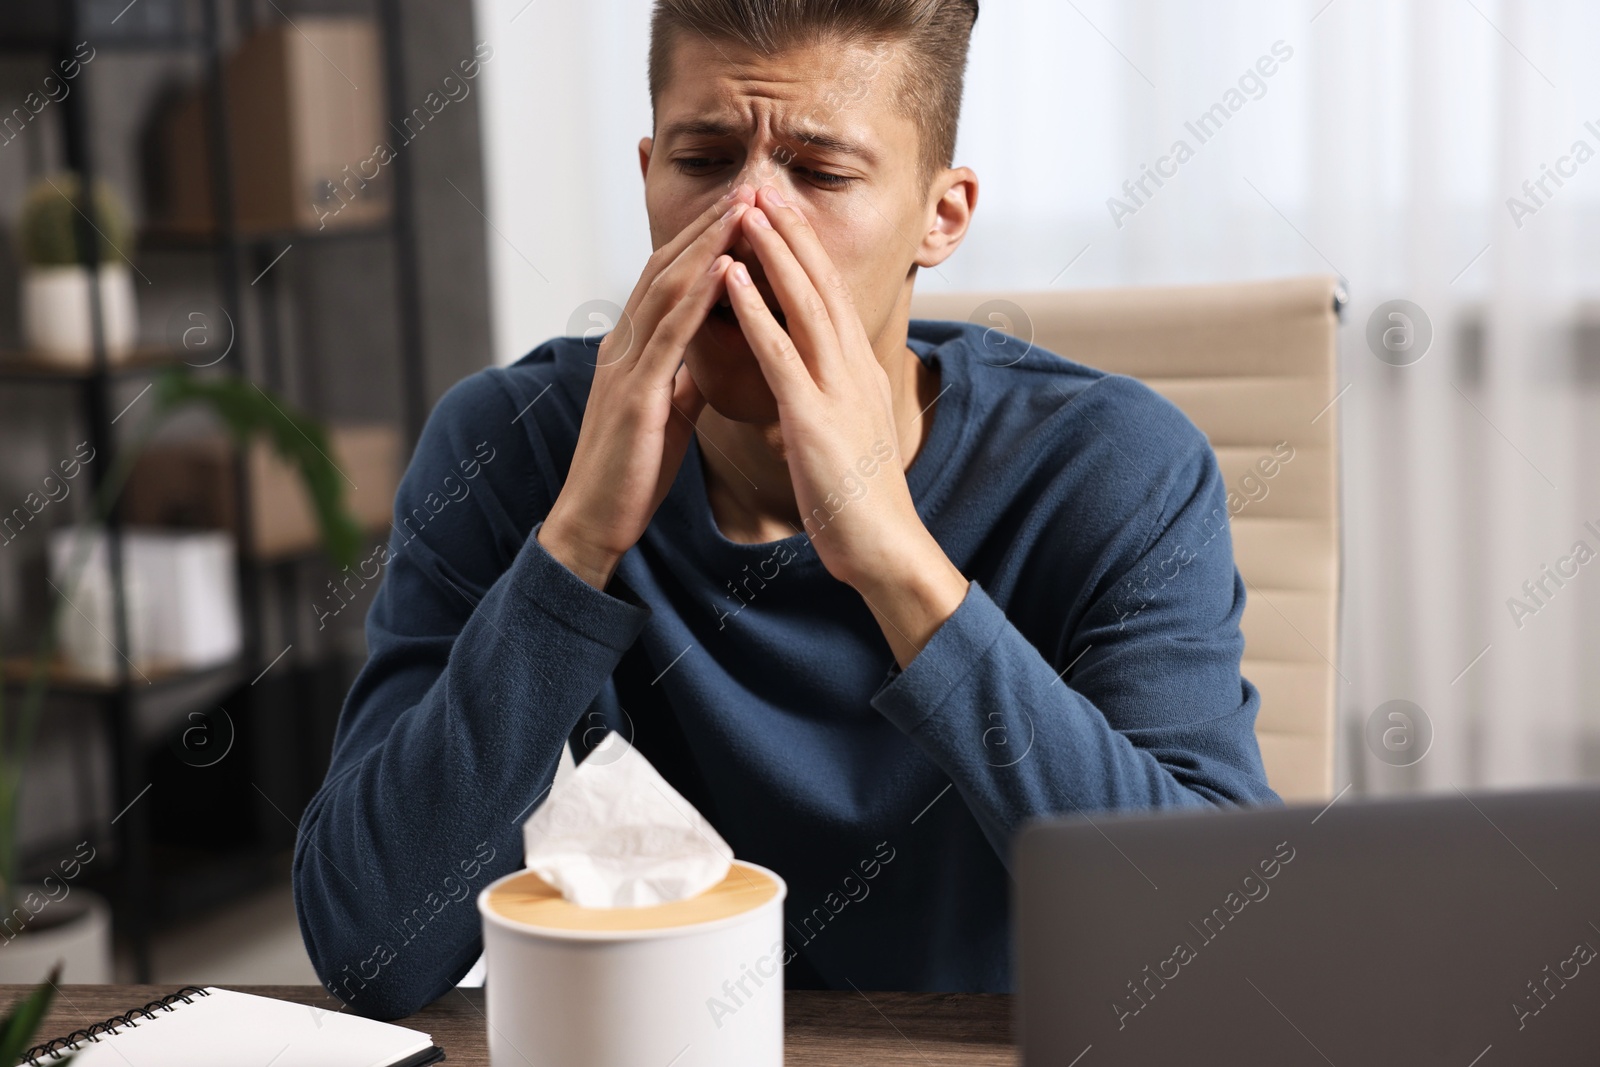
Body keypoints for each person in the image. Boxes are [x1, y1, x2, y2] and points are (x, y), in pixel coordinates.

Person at [293, 0, 1280, 1021]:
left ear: (940, 216)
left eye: (818, 172)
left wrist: (898, 563)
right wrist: (576, 545)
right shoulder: (509, 445)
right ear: (646, 178)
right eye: (704, 160)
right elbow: (371, 950)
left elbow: (1216, 949)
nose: (746, 224)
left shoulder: (1115, 466)